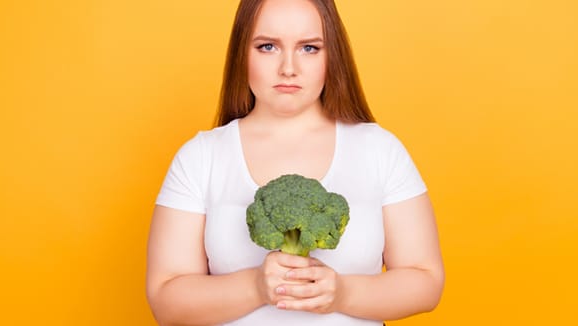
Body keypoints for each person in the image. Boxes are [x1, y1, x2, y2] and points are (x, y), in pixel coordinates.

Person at [146, 0, 445, 325]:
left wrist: (343, 293)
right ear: (241, 53)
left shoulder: (380, 150)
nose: (288, 67)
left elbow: (426, 281)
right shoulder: (201, 157)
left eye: (309, 48)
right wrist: (255, 286)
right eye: (268, 46)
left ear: (333, 56)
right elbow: (166, 301)